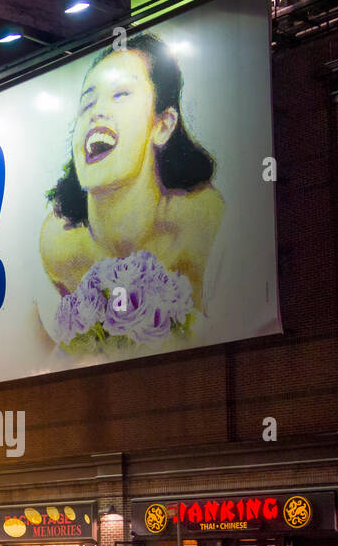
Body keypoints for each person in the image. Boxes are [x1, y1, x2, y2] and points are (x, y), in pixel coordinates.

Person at [39, 32, 223, 340]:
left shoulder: (206, 225)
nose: (96, 111)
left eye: (121, 94)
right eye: (87, 102)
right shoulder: (58, 247)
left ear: (162, 125)